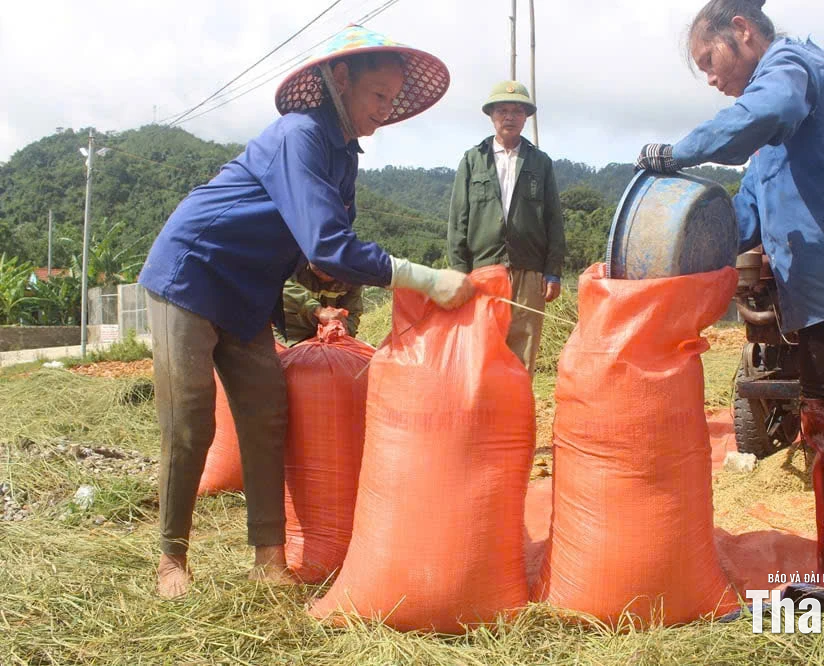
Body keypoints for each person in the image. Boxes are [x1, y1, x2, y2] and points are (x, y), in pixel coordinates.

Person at [138, 24, 474, 599]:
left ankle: (267, 558)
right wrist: (423, 278)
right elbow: (326, 242)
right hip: (190, 275)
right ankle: (172, 559)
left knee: (268, 417)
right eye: (377, 96)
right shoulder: (301, 134)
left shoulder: (343, 154)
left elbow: (317, 245)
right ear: (339, 80)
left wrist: (323, 276)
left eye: (392, 100)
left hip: (248, 294)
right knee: (192, 420)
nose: (385, 111)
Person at [635, 0, 824, 581]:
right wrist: (680, 261)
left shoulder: (791, 67)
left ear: (742, 31)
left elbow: (771, 109)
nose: (711, 78)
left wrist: (679, 152)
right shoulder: (768, 141)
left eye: (709, 60)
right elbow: (745, 219)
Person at [447, 80, 565, 374]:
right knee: (483, 347)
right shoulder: (473, 161)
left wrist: (553, 271)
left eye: (516, 111)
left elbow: (553, 218)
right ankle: (484, 414)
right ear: (491, 115)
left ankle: (516, 416)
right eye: (503, 110)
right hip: (483, 269)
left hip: (530, 271)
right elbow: (457, 218)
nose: (509, 117)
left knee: (522, 351)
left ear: (526, 117)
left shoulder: (541, 162)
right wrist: (459, 273)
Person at [274, 265, 364, 346]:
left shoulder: (352, 278)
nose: (326, 271)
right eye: (319, 266)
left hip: (328, 341)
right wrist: (318, 311)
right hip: (288, 338)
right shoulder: (292, 262)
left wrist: (345, 331)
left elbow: (352, 312)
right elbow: (280, 288)